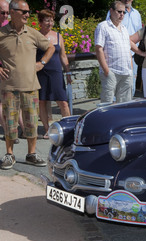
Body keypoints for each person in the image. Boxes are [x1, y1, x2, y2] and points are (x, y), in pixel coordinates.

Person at [0, 0, 55, 170]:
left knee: (31, 123)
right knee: (10, 123)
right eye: (23, 12)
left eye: (28, 12)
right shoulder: (1, 33)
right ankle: (9, 155)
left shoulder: (32, 33)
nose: (27, 15)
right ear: (12, 12)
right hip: (9, 87)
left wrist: (42, 63)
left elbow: (51, 47)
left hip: (31, 86)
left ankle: (31, 154)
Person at [36, 9, 71, 139]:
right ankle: (47, 129)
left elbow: (63, 56)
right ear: (40, 22)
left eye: (51, 20)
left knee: (63, 101)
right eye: (47, 21)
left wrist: (68, 72)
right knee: (42, 101)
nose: (50, 23)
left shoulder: (58, 36)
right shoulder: (35, 35)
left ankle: (68, 127)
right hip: (41, 72)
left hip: (56, 72)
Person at [95, 1, 134, 103]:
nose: (122, 14)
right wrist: (106, 71)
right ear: (111, 11)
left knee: (125, 106)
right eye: (119, 11)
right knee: (107, 104)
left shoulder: (124, 29)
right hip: (111, 71)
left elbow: (128, 50)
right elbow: (99, 49)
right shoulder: (103, 26)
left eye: (124, 12)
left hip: (126, 72)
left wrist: (131, 70)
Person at [106, 0, 142, 94]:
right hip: (118, 55)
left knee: (131, 83)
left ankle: (129, 106)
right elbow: (108, 30)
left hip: (133, 55)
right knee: (116, 85)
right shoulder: (115, 12)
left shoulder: (137, 14)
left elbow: (139, 34)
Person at [0, 0, 23, 145]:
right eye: (2, 13)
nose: (6, 16)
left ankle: (22, 130)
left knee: (15, 100)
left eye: (8, 13)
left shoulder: (7, 27)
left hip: (10, 70)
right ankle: (9, 132)